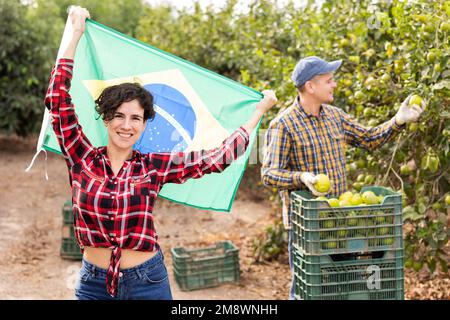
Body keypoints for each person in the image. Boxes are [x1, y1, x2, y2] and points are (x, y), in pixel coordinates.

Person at [47, 6, 278, 300]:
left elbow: (216, 159)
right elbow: (57, 99)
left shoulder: (152, 167)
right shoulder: (82, 157)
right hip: (94, 284)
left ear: (144, 125)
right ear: (106, 119)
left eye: (136, 118)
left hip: (147, 281)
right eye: (119, 116)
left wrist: (258, 112)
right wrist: (76, 32)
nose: (126, 125)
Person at [261, 56, 425, 299]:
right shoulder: (283, 124)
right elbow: (269, 174)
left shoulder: (335, 116)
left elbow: (369, 138)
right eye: (329, 81)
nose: (334, 85)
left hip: (341, 221)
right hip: (308, 225)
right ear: (310, 86)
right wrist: (302, 177)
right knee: (308, 288)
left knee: (343, 286)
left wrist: (398, 121)